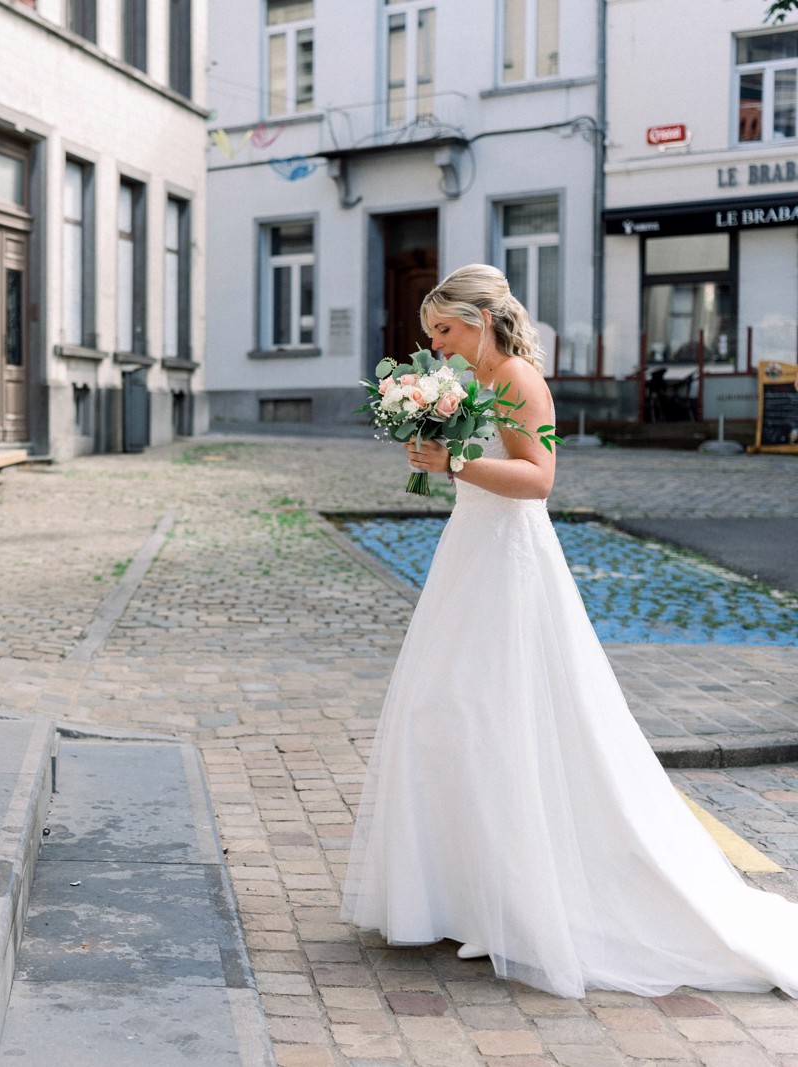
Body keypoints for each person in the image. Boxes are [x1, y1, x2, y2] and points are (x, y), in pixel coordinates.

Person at [340, 264, 798, 998]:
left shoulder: (520, 380)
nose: (436, 345)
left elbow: (539, 479)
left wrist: (455, 460)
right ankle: (464, 896)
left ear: (481, 321)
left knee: (494, 718)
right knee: (444, 713)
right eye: (431, 334)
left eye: (445, 329)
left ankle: (515, 906)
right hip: (470, 555)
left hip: (510, 562)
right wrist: (436, 455)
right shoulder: (472, 384)